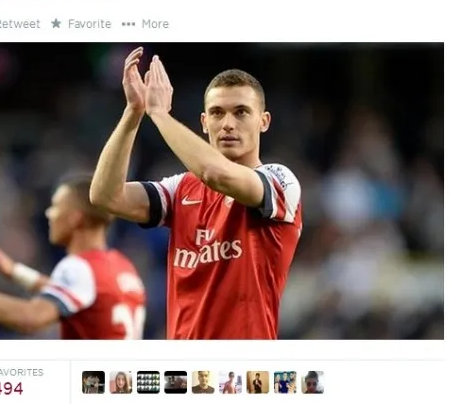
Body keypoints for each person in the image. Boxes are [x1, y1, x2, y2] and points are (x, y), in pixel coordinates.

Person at [90, 47, 303, 339]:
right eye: (217, 113)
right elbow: (105, 196)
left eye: (241, 112)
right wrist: (133, 113)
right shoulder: (181, 189)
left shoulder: (280, 181)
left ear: (263, 121)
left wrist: (159, 114)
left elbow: (217, 174)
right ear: (204, 123)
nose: (228, 124)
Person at [0, 173, 146, 339]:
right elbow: (79, 293)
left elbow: (29, 318)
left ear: (75, 218)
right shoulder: (122, 266)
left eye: (56, 206)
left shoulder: (78, 267)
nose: (49, 214)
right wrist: (13, 271)